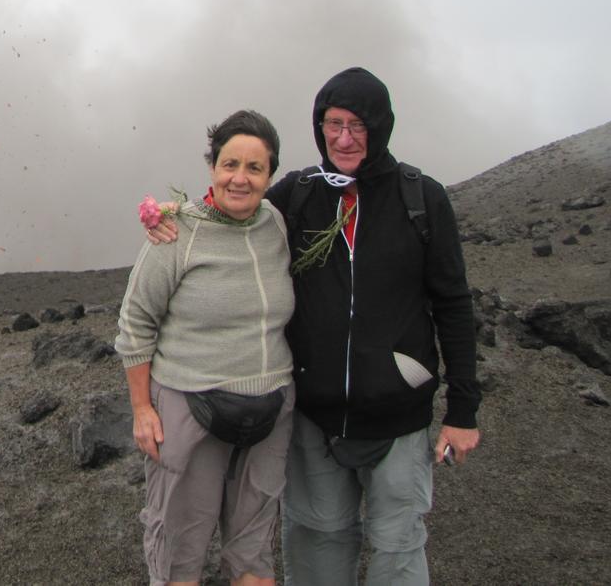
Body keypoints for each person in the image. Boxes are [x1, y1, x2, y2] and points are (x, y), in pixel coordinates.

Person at [145, 68, 481, 585]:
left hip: (398, 417)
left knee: (398, 546)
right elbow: (233, 208)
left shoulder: (421, 199)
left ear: (381, 126)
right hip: (314, 419)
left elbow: (454, 305)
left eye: (358, 125)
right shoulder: (299, 195)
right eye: (332, 123)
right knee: (318, 540)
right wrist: (171, 213)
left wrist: (462, 411)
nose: (344, 138)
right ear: (319, 125)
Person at [117, 109, 296, 586]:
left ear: (270, 176)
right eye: (229, 164)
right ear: (212, 169)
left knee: (255, 559)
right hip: (189, 408)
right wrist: (141, 408)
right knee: (181, 553)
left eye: (254, 168)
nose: (240, 178)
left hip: (270, 411)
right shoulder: (176, 235)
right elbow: (136, 324)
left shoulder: (276, 225)